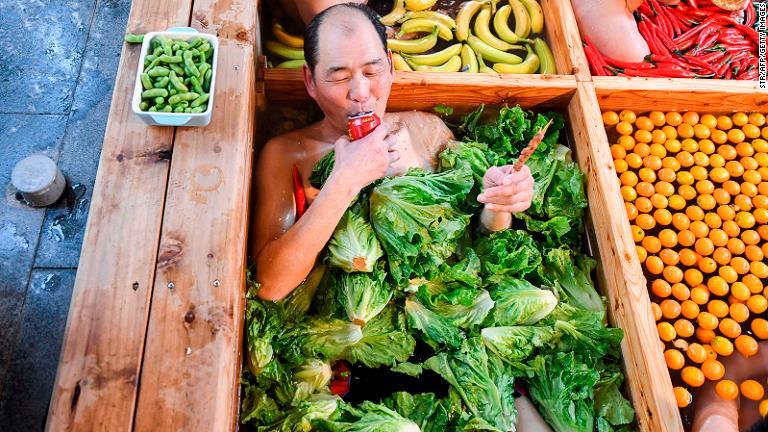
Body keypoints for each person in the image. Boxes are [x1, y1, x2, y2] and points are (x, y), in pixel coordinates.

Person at [250, 4, 548, 431]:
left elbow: (473, 252)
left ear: (391, 67)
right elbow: (272, 287)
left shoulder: (425, 130)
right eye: (338, 76)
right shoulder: (287, 154)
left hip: (453, 341)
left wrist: (497, 205)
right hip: (354, 363)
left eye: (373, 71)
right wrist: (345, 181)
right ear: (309, 83)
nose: (360, 92)